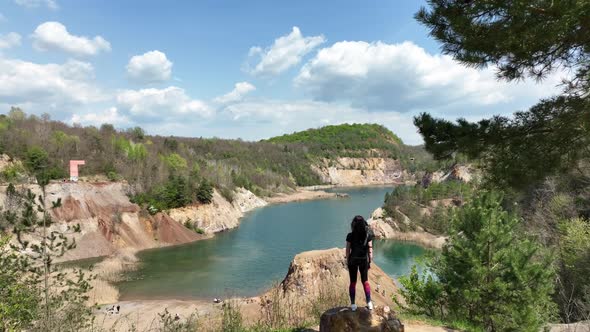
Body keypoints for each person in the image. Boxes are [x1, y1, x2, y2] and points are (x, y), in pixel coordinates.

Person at [345, 215, 374, 311]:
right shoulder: (368, 235)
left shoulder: (350, 236)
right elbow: (370, 250)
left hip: (353, 260)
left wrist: (348, 261)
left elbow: (348, 250)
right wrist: (370, 261)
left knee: (353, 282)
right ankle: (369, 303)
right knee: (365, 281)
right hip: (363, 260)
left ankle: (353, 305)